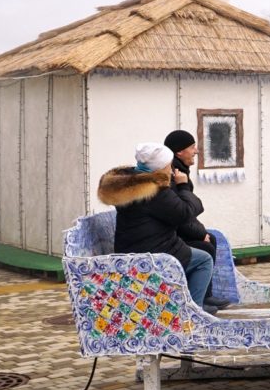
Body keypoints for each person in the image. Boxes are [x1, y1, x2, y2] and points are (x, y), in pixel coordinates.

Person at [97, 143, 214, 311]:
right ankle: (193, 312)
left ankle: (178, 304)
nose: (171, 168)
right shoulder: (154, 191)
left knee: (196, 250)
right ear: (160, 167)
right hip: (155, 252)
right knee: (204, 259)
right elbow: (185, 213)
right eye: (169, 164)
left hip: (131, 248)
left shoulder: (128, 185)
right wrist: (183, 186)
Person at [164, 130, 228, 312]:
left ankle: (206, 296)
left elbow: (188, 213)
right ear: (179, 152)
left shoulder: (179, 171)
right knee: (205, 247)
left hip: (171, 235)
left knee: (210, 239)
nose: (196, 151)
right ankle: (196, 303)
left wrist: (202, 232)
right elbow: (181, 214)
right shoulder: (174, 175)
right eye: (192, 147)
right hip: (167, 239)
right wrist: (200, 234)